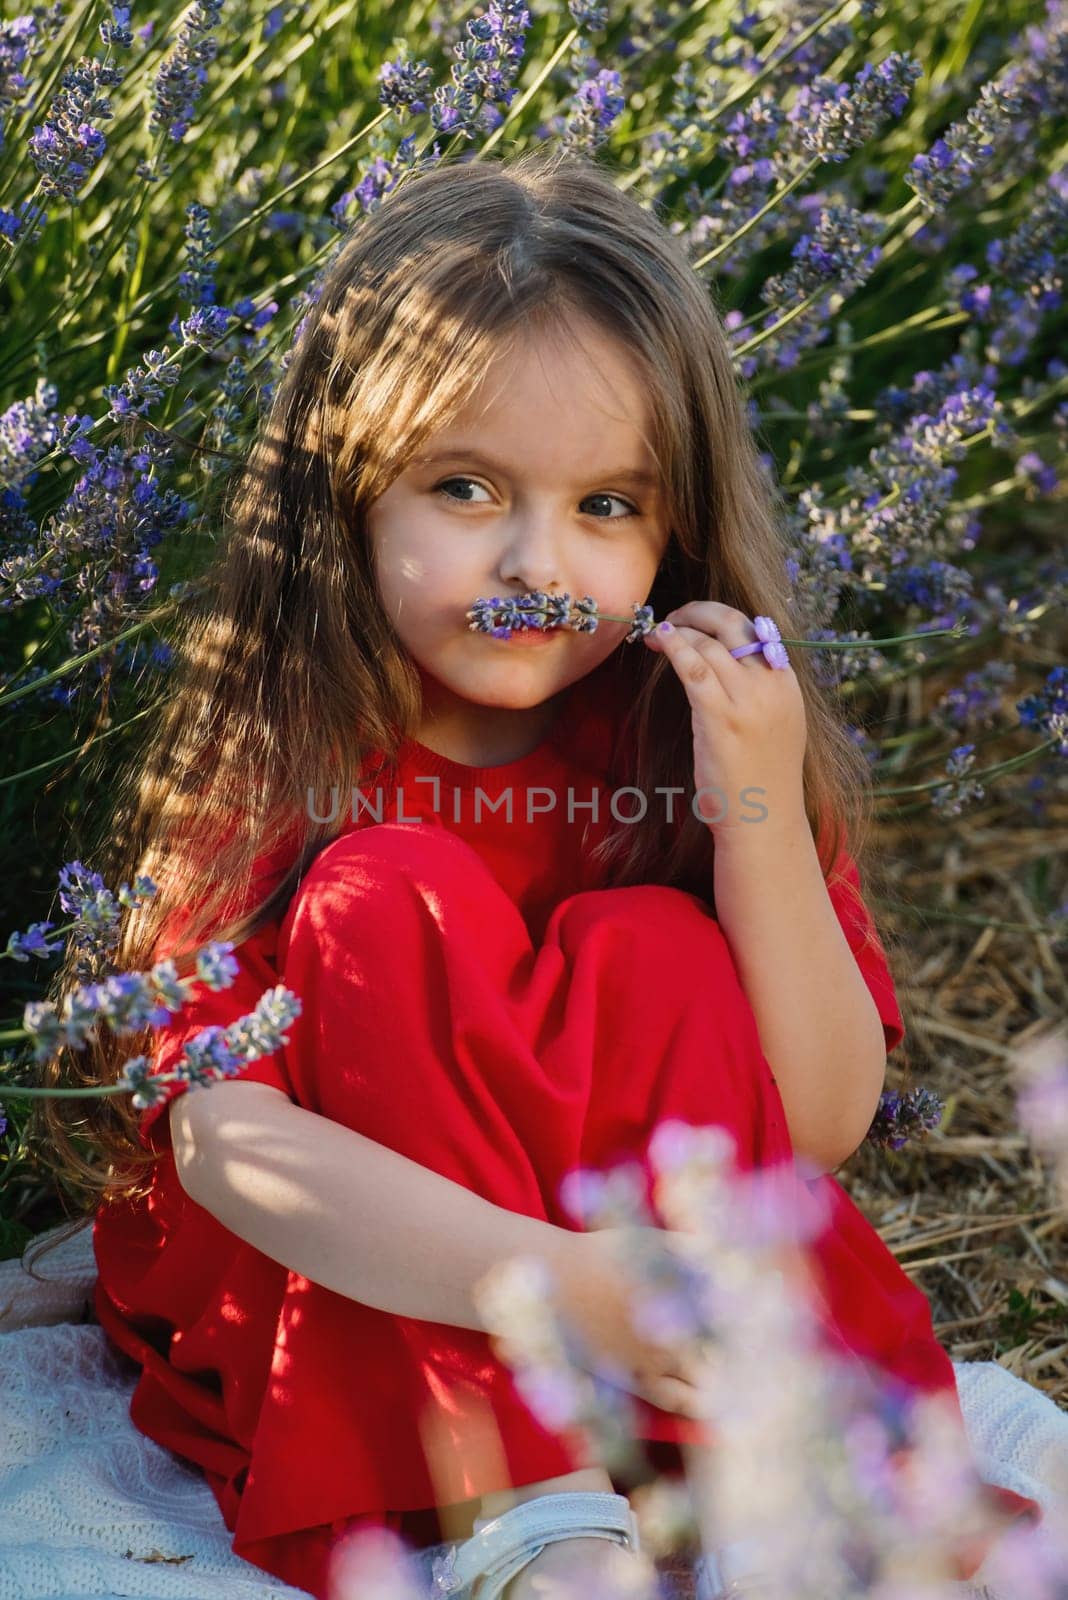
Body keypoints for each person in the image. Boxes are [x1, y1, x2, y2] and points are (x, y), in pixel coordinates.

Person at [69, 148, 1040, 1599]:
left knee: (656, 941)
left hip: (645, 1297)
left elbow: (821, 1120)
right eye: (467, 487)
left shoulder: (681, 735)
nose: (540, 561)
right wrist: (543, 1287)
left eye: (607, 507)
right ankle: (521, 1496)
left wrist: (758, 805)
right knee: (382, 895)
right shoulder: (295, 742)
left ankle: (690, 1443)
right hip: (376, 1283)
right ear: (344, 487)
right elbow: (225, 1139)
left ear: (679, 523)